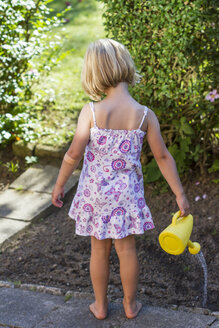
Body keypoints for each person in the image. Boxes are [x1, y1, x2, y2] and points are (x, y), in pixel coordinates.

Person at [52, 38, 190, 320]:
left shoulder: (90, 112)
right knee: (127, 249)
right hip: (126, 195)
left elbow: (73, 154)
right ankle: (129, 305)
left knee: (98, 249)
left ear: (95, 74)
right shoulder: (144, 116)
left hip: (95, 195)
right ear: (125, 66)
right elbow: (163, 157)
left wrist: (59, 185)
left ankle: (100, 306)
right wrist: (179, 194)